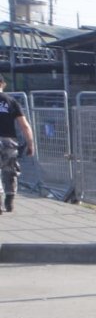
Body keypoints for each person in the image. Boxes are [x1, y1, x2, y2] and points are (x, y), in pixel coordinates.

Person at [0, 75, 36, 214]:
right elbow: (24, 125)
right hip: (9, 141)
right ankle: (10, 198)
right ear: (3, 84)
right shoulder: (11, 101)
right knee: (10, 170)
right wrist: (30, 144)